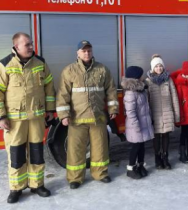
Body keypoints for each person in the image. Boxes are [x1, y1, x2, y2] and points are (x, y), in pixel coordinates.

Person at [0, 33, 55, 204]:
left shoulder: (40, 63)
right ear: (16, 47)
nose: (31, 47)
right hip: (14, 120)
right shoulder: (5, 64)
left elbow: (49, 87)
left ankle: (37, 184)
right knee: (16, 155)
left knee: (37, 153)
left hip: (37, 118)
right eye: (27, 45)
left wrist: (50, 110)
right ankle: (16, 188)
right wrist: (1, 116)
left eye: (31, 44)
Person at [56, 40, 118, 189]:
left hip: (98, 117)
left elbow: (111, 90)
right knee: (76, 149)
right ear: (77, 53)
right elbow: (63, 94)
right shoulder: (69, 71)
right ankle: (75, 178)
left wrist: (113, 109)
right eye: (83, 51)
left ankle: (100, 174)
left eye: (89, 50)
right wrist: (64, 115)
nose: (87, 53)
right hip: (77, 119)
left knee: (100, 148)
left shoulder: (102, 69)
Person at [145, 54, 180, 170]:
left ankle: (165, 157)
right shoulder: (148, 81)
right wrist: (147, 116)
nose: (159, 68)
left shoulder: (168, 79)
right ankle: (157, 158)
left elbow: (174, 96)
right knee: (156, 137)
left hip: (167, 113)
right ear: (152, 68)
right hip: (154, 114)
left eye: (160, 66)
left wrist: (177, 115)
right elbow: (146, 100)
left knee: (165, 136)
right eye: (156, 66)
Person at [121, 66, 154, 179]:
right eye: (140, 75)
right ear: (136, 78)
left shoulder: (141, 89)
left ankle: (140, 165)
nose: (142, 77)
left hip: (143, 123)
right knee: (135, 147)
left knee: (142, 146)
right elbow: (130, 112)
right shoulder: (131, 93)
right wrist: (136, 126)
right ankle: (130, 168)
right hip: (136, 125)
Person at [171, 61, 188, 164]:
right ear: (183, 73)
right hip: (184, 113)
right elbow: (178, 100)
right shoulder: (180, 83)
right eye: (187, 74)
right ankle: (182, 154)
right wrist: (179, 115)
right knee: (183, 133)